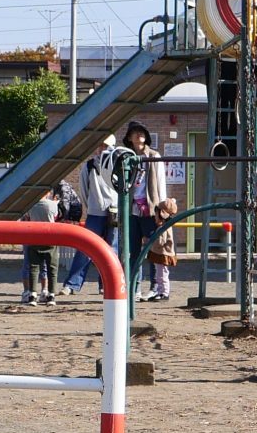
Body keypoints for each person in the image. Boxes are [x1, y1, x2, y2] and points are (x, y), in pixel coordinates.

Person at [62, 134, 119, 297]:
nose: (102, 149)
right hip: (95, 213)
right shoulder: (89, 166)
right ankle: (72, 284)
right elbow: (84, 191)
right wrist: (94, 206)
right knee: (85, 248)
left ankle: (106, 284)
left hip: (115, 212)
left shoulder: (118, 165)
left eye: (105, 146)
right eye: (100, 145)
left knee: (112, 249)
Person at [117, 121, 162, 276]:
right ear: (129, 138)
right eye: (134, 132)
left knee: (153, 248)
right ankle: (134, 284)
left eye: (142, 132)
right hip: (132, 209)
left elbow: (160, 183)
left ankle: (155, 285)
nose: (139, 134)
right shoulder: (126, 157)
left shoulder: (154, 156)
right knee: (133, 250)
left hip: (150, 209)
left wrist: (161, 208)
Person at [19, 191, 59, 306]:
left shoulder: (30, 205)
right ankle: (51, 294)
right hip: (50, 239)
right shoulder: (52, 205)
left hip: (34, 238)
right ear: (47, 193)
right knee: (52, 268)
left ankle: (32, 294)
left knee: (33, 267)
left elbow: (27, 217)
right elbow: (56, 216)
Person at [146, 196, 180, 302]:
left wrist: (151, 240)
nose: (155, 217)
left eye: (156, 214)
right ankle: (160, 291)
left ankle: (164, 293)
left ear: (161, 215)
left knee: (162, 274)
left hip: (162, 254)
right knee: (159, 274)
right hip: (160, 254)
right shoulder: (163, 226)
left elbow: (160, 242)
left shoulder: (163, 228)